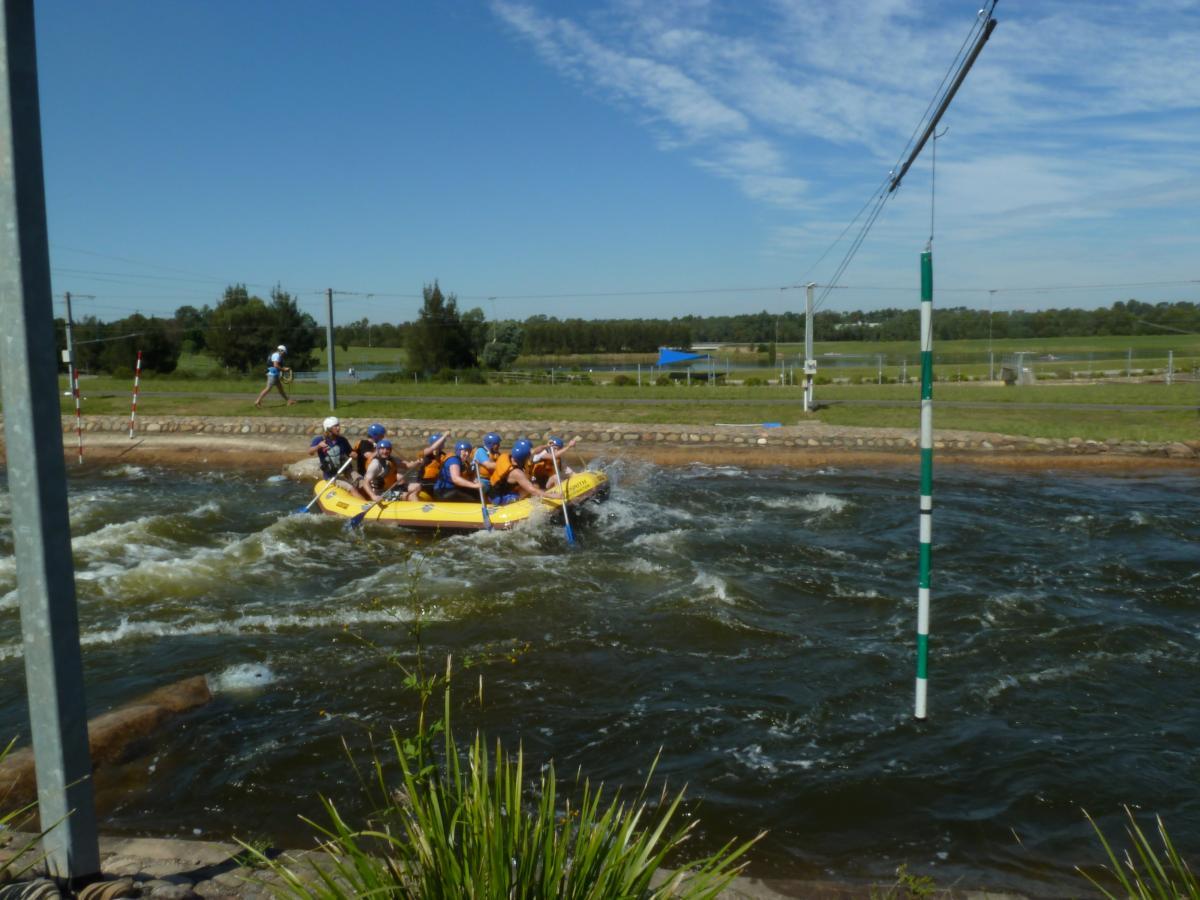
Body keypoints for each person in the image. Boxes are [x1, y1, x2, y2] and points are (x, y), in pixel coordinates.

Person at [308, 416, 363, 497]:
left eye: (338, 425)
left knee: (361, 481)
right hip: (331, 476)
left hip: (346, 471)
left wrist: (354, 455)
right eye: (336, 426)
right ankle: (363, 503)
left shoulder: (342, 440)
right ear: (329, 429)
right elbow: (310, 452)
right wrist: (318, 446)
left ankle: (372, 498)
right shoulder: (319, 439)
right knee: (351, 488)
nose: (339, 428)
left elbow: (351, 453)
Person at [488, 438, 545, 503]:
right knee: (533, 487)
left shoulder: (510, 456)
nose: (530, 455)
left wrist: (547, 446)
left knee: (534, 485)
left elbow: (535, 450)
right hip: (498, 497)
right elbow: (533, 490)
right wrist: (552, 496)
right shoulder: (516, 472)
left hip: (502, 490)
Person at [351, 423, 387, 492]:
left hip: (377, 474)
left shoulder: (377, 445)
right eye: (382, 436)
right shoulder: (364, 443)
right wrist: (381, 450)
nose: (383, 437)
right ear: (376, 436)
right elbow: (368, 456)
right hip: (365, 474)